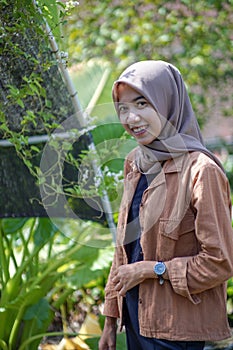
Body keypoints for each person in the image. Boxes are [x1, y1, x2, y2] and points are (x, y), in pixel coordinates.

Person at [98, 60, 233, 350]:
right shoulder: (135, 162)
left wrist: (152, 270)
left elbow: (219, 262)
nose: (131, 118)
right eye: (123, 108)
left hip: (177, 329)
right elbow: (125, 246)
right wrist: (110, 320)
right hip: (135, 318)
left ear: (167, 102)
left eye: (142, 103)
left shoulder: (201, 171)